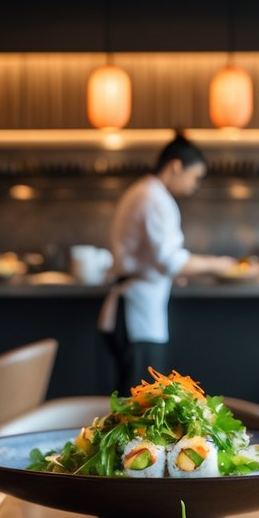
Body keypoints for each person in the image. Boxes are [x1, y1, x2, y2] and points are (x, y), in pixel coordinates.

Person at [97, 131, 207, 392]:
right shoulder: (154, 198)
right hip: (137, 315)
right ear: (176, 165)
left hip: (134, 309)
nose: (195, 185)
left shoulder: (143, 191)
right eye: (196, 177)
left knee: (134, 396)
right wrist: (220, 265)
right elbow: (171, 261)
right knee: (140, 399)